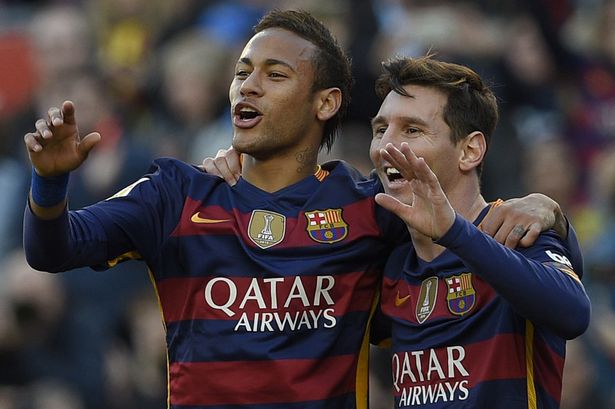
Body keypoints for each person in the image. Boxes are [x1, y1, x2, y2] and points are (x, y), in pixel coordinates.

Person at [23, 9, 575, 409]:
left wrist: (550, 212)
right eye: (242, 72)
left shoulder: (374, 211)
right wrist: (50, 183)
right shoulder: (175, 193)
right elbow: (52, 250)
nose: (249, 86)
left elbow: (501, 259)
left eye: (275, 75)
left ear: (326, 102)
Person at [369, 56, 590, 408]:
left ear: (470, 150)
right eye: (381, 130)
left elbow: (574, 314)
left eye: (412, 130)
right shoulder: (392, 262)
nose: (385, 147)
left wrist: (455, 232)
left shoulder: (515, 230)